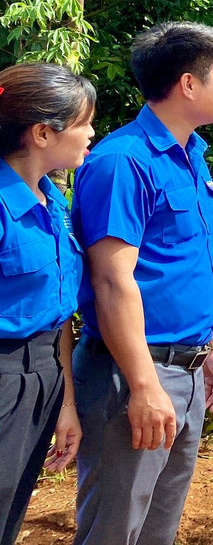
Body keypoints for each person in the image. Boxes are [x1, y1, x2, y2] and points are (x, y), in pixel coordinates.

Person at [71, 22, 213, 545]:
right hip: (134, 373)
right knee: (114, 528)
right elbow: (111, 281)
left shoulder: (192, 154)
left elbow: (188, 266)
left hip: (186, 371)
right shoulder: (123, 162)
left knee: (157, 530)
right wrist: (144, 385)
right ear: (189, 84)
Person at [0, 63, 93, 545]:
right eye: (84, 122)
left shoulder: (52, 202)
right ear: (42, 133)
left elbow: (58, 321)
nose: (92, 133)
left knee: (11, 511)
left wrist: (65, 404)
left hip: (42, 374)